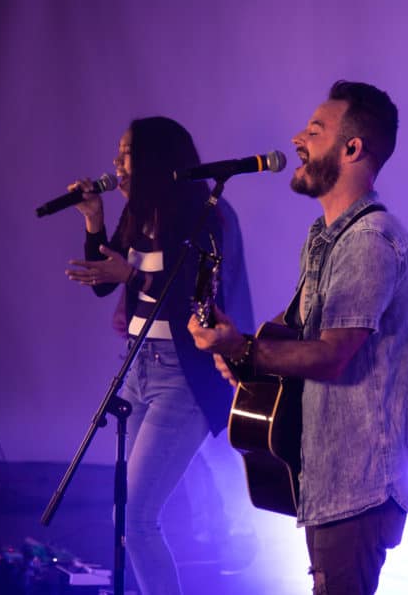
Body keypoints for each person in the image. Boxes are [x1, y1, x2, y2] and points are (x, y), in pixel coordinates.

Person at [188, 80, 408, 595]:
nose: (297, 138)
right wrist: (240, 352)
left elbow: (333, 355)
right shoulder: (325, 238)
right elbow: (293, 334)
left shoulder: (370, 239)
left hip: (361, 481)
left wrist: (244, 349)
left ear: (352, 148)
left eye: (315, 131)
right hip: (328, 476)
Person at [64, 116, 253, 595]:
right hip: (137, 366)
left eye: (126, 153)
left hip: (180, 377)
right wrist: (93, 221)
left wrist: (132, 278)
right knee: (130, 516)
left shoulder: (201, 215)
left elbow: (196, 302)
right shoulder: (139, 212)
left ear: (153, 159)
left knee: (136, 516)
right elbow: (103, 282)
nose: (115, 163)